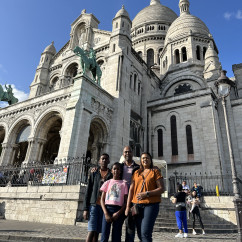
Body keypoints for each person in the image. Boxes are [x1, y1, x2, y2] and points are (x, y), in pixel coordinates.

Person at [125, 152, 164, 242]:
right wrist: (127, 207)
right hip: (137, 205)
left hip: (151, 205)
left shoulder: (155, 171)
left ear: (150, 160)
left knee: (145, 233)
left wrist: (146, 194)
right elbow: (131, 190)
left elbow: (161, 189)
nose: (145, 160)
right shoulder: (136, 173)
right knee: (140, 233)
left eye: (147, 158)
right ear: (140, 161)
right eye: (143, 158)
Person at [82, 153, 112, 242]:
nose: (104, 160)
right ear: (99, 161)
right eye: (102, 159)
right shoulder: (94, 173)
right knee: (91, 230)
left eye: (106, 159)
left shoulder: (111, 175)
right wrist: (85, 208)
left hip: (104, 206)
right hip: (93, 205)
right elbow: (89, 190)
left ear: (109, 161)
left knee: (97, 232)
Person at [100, 162, 128, 242]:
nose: (116, 171)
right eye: (114, 169)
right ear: (111, 170)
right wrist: (105, 213)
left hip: (118, 210)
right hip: (107, 209)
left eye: (118, 169)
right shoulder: (107, 182)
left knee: (116, 235)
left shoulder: (124, 184)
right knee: (104, 235)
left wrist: (119, 213)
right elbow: (102, 199)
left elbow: (125, 202)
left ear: (120, 171)